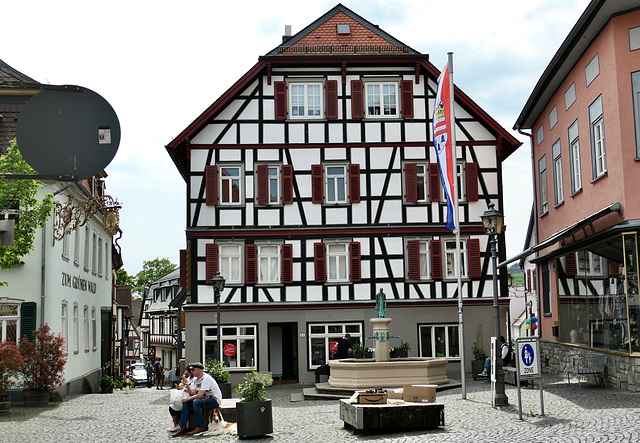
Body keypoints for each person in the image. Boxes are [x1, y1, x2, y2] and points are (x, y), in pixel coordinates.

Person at [172, 362, 223, 437]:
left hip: (214, 400)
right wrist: (187, 385)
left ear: (199, 370)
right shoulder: (195, 380)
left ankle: (200, 426)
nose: (191, 372)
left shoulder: (206, 378)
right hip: (204, 399)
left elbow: (200, 395)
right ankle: (182, 427)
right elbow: (193, 393)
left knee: (196, 402)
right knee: (186, 403)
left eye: (193, 370)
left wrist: (188, 398)